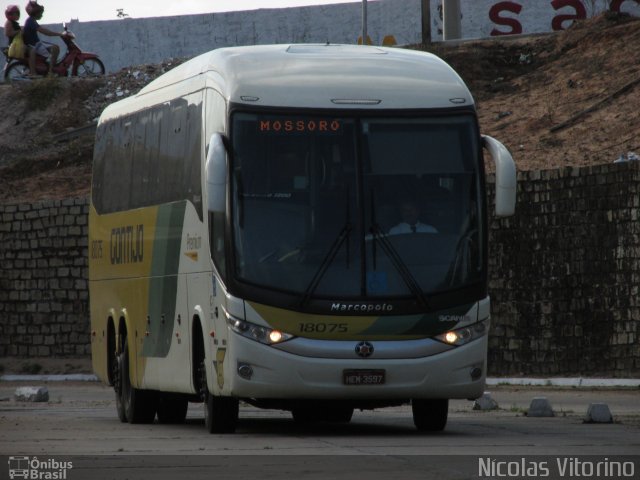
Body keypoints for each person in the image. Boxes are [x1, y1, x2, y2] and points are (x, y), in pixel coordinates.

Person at [22, 1, 61, 75]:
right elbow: (45, 32)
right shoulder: (30, 21)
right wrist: (59, 34)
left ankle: (49, 69)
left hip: (37, 44)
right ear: (36, 13)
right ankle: (50, 71)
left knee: (55, 48)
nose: (41, 15)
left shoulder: (32, 20)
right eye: (40, 13)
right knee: (55, 48)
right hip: (34, 45)